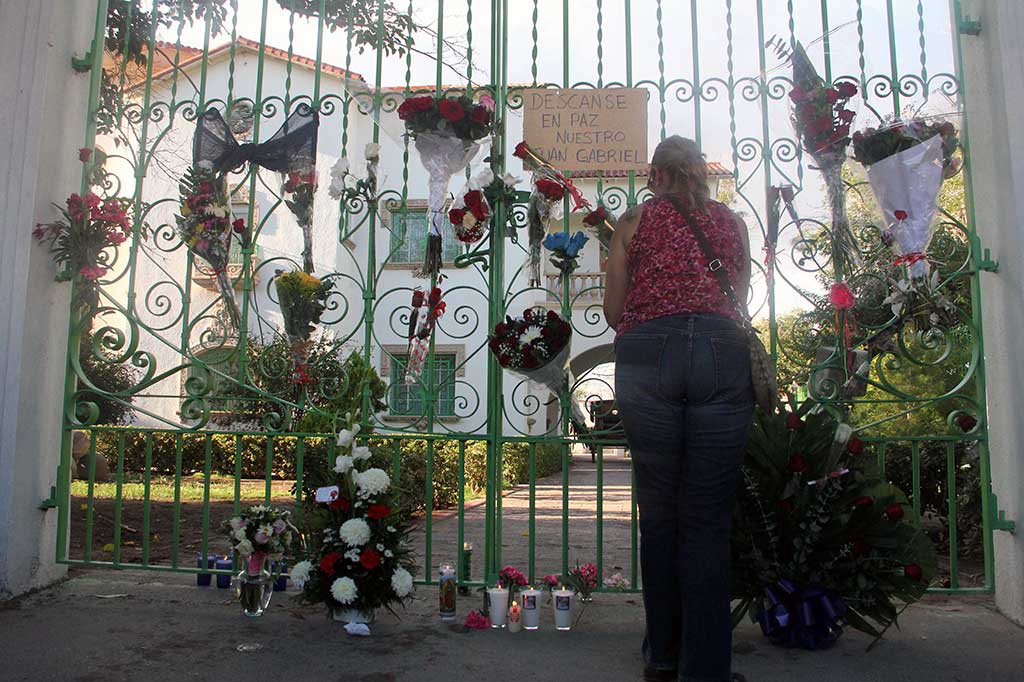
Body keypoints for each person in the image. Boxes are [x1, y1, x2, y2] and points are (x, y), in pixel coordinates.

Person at [603, 136, 754, 682]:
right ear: (700, 174)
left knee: (660, 513)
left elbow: (614, 309)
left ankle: (662, 656)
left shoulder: (633, 222)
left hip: (648, 358)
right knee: (707, 521)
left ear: (656, 175)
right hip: (720, 354)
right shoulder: (732, 223)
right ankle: (706, 668)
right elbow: (739, 295)